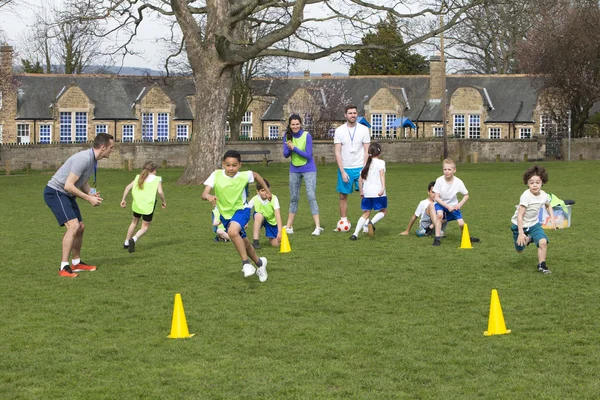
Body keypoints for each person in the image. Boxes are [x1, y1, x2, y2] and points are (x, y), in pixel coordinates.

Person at [43, 133, 115, 278]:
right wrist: (88, 198)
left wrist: (91, 193)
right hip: (55, 192)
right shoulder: (83, 159)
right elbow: (69, 185)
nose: (112, 150)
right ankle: (64, 267)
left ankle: (76, 263)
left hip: (66, 194)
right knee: (74, 226)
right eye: (111, 147)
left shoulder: (93, 160)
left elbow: (82, 181)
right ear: (103, 147)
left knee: (80, 227)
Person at [202, 150, 270, 282]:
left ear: (240, 165)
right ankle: (260, 264)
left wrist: (268, 191)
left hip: (242, 210)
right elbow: (204, 194)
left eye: (234, 165)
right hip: (226, 216)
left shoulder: (244, 175)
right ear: (223, 164)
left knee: (232, 232)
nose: (231, 168)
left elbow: (256, 176)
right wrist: (209, 196)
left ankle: (246, 264)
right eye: (228, 165)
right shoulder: (216, 175)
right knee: (244, 244)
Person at [282, 114, 324, 235]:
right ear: (289, 125)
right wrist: (289, 148)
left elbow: (308, 154)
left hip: (309, 168)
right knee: (294, 197)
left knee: (311, 195)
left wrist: (294, 148)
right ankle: (289, 226)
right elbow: (285, 155)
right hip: (294, 169)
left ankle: (317, 227)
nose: (295, 126)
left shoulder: (307, 136)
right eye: (292, 124)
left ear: (300, 124)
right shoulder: (287, 136)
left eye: (297, 124)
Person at [511, 164, 555, 274]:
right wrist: (521, 233)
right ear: (527, 183)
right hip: (519, 225)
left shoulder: (544, 195)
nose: (534, 185)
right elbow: (520, 216)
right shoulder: (526, 196)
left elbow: (548, 205)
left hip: (534, 225)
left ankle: (542, 265)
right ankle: (528, 239)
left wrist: (552, 219)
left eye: (537, 182)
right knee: (519, 250)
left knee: (543, 242)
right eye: (531, 183)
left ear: (542, 182)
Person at [334, 104, 371, 230]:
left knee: (365, 195)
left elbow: (367, 150)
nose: (352, 115)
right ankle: (343, 221)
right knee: (343, 196)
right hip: (346, 169)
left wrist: (364, 168)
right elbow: (337, 152)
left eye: (354, 113)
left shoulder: (364, 130)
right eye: (350, 113)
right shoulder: (339, 131)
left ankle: (365, 222)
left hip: (360, 167)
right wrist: (342, 171)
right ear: (345, 115)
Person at [120, 161, 166, 253]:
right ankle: (134, 239)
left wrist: (123, 199)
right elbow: (160, 192)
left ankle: (126, 242)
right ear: (154, 170)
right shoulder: (157, 179)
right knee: (144, 227)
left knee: (134, 223)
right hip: (148, 206)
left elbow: (128, 187)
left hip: (137, 205)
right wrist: (164, 201)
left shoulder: (138, 177)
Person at [431, 158, 479, 246]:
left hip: (453, 206)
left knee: (461, 224)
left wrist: (459, 205)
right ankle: (437, 238)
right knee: (439, 215)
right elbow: (436, 198)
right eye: (445, 169)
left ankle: (467, 237)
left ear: (454, 170)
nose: (447, 171)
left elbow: (466, 195)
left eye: (449, 169)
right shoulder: (439, 180)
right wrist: (447, 206)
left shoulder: (458, 182)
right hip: (441, 203)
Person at [349, 143, 387, 240]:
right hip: (378, 192)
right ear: (379, 152)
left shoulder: (366, 164)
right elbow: (382, 175)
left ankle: (355, 234)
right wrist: (383, 188)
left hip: (367, 192)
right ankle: (370, 223)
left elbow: (360, 179)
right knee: (383, 211)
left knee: (366, 213)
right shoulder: (381, 162)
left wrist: (361, 191)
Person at [248, 179, 283, 249]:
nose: (265, 193)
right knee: (258, 216)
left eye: (266, 190)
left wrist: (280, 231)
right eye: (262, 190)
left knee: (276, 244)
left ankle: (272, 236)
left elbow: (278, 215)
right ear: (257, 191)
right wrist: (245, 222)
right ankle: (255, 242)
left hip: (271, 221)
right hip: (260, 218)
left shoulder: (274, 198)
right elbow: (246, 211)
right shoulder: (254, 199)